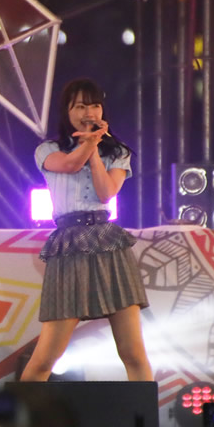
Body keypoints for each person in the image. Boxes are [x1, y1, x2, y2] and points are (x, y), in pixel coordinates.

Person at [19, 78, 152, 382]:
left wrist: (94, 150)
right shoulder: (48, 149)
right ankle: (23, 413)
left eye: (94, 105)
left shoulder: (118, 153)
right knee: (45, 357)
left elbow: (106, 193)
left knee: (133, 352)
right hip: (69, 243)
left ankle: (145, 415)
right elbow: (68, 165)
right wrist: (89, 143)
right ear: (67, 111)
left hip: (107, 241)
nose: (88, 112)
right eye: (80, 106)